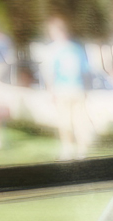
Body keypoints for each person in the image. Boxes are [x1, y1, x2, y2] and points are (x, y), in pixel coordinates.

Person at [38, 14, 93, 160]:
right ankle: (82, 150)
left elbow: (49, 73)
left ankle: (68, 149)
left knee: (64, 121)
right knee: (79, 120)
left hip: (61, 89)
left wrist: (50, 91)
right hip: (78, 88)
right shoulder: (77, 48)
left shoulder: (52, 50)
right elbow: (86, 71)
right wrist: (86, 89)